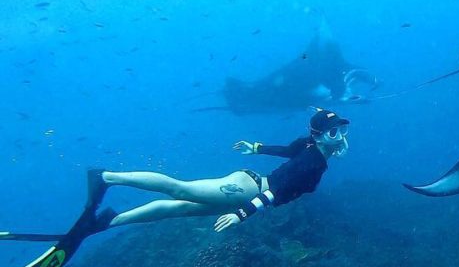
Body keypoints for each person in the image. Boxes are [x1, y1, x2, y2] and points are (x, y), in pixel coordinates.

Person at [85, 109, 350, 234]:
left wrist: (256, 148)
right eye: (334, 132)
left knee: (180, 207)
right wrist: (241, 214)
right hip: (249, 191)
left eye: (342, 129)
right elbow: (278, 191)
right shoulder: (313, 162)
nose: (340, 136)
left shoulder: (308, 144)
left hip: (249, 186)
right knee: (180, 189)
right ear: (318, 136)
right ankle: (106, 177)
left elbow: (287, 150)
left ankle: (110, 221)